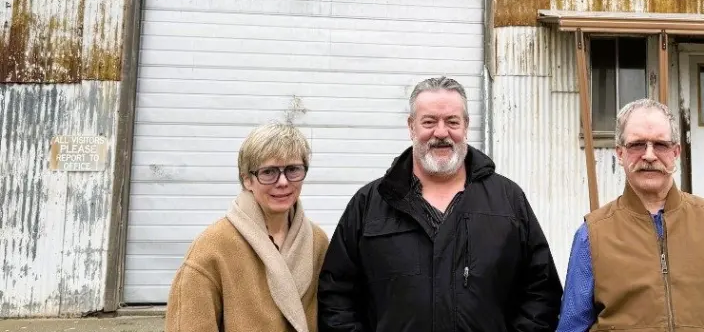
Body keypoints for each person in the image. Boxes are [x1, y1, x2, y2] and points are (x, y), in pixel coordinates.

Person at [317, 76, 563, 332]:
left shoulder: (508, 201)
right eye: (429, 122)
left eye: (452, 122)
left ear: (466, 126)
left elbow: (541, 293)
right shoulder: (369, 205)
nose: (442, 132)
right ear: (411, 127)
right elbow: (336, 298)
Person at [556, 98, 704, 332]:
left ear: (675, 152)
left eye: (660, 145)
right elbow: (572, 325)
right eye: (637, 145)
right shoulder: (592, 235)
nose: (649, 155)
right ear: (620, 153)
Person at [165, 123, 330, 332]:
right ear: (247, 180)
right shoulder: (211, 247)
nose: (282, 182)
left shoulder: (318, 242)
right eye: (268, 172)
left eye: (293, 169)